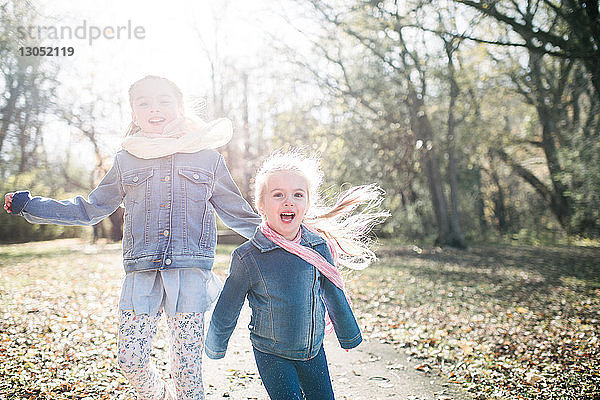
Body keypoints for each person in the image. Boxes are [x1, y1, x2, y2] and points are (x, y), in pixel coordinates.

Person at [3, 75, 261, 400]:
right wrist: (33, 206)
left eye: (164, 101)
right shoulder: (126, 160)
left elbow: (238, 213)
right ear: (133, 113)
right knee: (130, 359)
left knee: (187, 372)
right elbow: (90, 209)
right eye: (144, 102)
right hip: (141, 276)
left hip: (189, 276)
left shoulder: (207, 159)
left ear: (179, 107)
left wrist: (288, 239)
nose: (155, 109)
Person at [204, 150, 388, 400]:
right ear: (261, 205)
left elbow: (333, 293)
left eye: (297, 195)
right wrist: (215, 345)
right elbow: (228, 305)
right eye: (278, 195)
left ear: (307, 204)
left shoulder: (318, 247)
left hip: (313, 351)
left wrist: (348, 334)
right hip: (271, 353)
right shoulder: (249, 257)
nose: (288, 201)